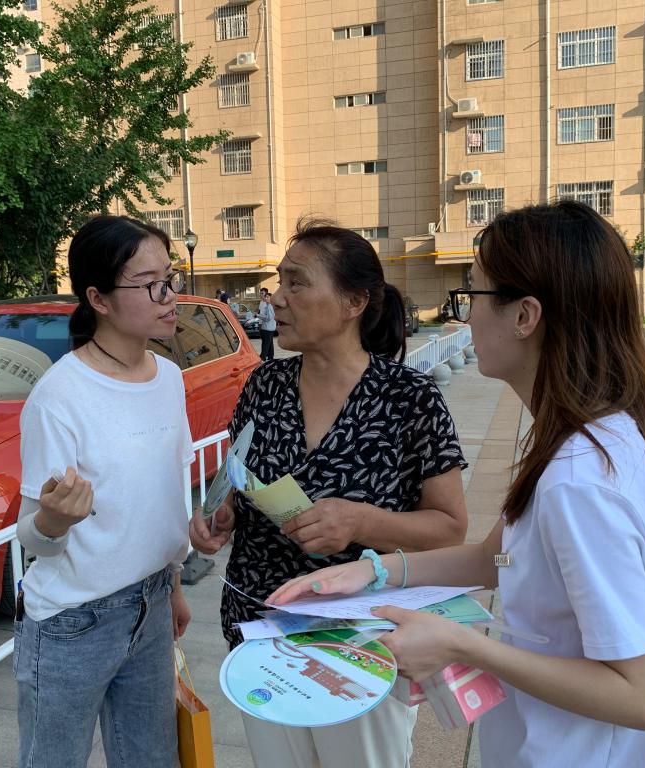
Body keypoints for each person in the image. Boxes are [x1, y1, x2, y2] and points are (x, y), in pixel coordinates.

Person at [270, 200, 645, 768]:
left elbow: (642, 697)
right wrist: (373, 572)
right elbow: (496, 558)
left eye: (472, 295)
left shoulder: (579, 482)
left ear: (524, 316)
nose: (465, 318)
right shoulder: (587, 439)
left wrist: (460, 644)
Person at [190, 220, 469, 768]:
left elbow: (450, 528)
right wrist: (222, 514)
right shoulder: (263, 386)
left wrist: (360, 522)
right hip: (261, 628)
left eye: (297, 282)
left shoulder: (409, 398)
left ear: (353, 302)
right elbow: (240, 479)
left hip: (361, 640)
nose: (277, 298)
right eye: (279, 281)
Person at [14, 215, 194, 768]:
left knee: (152, 759)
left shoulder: (169, 378)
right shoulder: (59, 397)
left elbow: (164, 500)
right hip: (73, 622)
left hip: (151, 606)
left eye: (171, 277)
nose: (170, 296)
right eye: (150, 284)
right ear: (99, 299)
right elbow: (33, 539)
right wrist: (55, 521)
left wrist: (173, 584)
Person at [258, 287, 276, 361]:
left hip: (267, 328)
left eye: (267, 297)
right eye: (265, 297)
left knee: (265, 344)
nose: (265, 298)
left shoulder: (269, 306)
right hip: (269, 327)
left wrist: (258, 316)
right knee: (269, 343)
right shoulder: (268, 305)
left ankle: (262, 358)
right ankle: (271, 357)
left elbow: (268, 318)